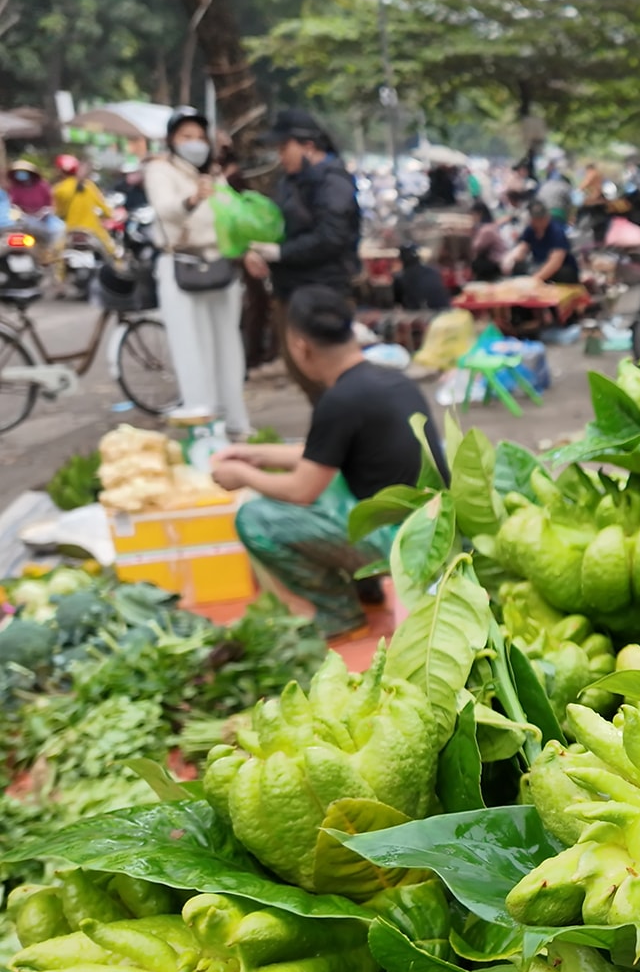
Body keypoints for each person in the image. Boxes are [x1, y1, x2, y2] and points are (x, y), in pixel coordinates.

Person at [211, 285, 447, 640]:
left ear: (299, 346)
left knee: (256, 517)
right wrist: (255, 454)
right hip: (438, 528)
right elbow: (325, 454)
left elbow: (302, 489)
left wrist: (243, 476)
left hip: (401, 543)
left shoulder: (339, 400)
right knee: (334, 485)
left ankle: (338, 614)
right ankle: (365, 587)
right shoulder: (392, 381)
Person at [242, 110, 362, 406]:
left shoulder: (334, 182)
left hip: (324, 290)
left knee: (330, 374)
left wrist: (282, 253)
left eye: (284, 148)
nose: (281, 156)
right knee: (304, 373)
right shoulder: (289, 182)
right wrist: (261, 252)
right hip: (290, 290)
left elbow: (331, 237)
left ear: (308, 146)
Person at [142, 110, 251, 437]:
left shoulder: (212, 175)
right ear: (172, 140)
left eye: (199, 137)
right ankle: (205, 430)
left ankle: (236, 423)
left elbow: (230, 216)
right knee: (192, 348)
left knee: (228, 347)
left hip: (220, 265)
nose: (194, 144)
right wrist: (191, 199)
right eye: (185, 137)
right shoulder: (160, 170)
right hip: (181, 266)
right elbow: (165, 210)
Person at [502, 199, 579, 285]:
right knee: (518, 267)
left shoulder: (556, 231)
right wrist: (511, 260)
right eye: (535, 219)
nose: (538, 223)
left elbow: (556, 261)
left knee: (564, 273)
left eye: (541, 219)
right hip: (538, 264)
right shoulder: (531, 229)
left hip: (558, 268)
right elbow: (523, 247)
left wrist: (535, 279)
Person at [51, 155, 113, 249]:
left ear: (59, 171)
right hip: (93, 231)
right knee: (112, 252)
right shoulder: (89, 186)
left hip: (70, 231)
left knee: (56, 256)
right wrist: (107, 215)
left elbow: (58, 212)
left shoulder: (58, 189)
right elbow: (105, 210)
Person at [8, 161, 60, 246]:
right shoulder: (15, 188)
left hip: (43, 219)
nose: (20, 175)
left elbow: (50, 205)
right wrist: (20, 213)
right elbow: (13, 205)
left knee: (59, 229)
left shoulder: (42, 186)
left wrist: (42, 213)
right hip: (23, 218)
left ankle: (51, 251)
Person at [393, 243, 451, 310]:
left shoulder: (400, 278)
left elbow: (398, 302)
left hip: (418, 316)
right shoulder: (433, 271)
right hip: (443, 313)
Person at [469, 202, 507, 282]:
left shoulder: (487, 230)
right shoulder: (490, 225)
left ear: (479, 214)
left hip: (496, 262)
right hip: (495, 258)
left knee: (475, 263)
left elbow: (476, 247)